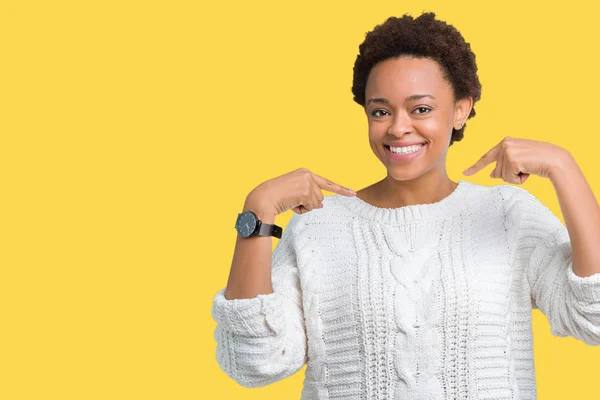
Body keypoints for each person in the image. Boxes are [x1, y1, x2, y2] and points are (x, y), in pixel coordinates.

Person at [211, 12, 600, 399]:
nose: (398, 127)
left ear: (461, 109)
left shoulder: (507, 215)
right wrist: (258, 211)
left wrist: (564, 167)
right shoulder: (316, 227)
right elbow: (254, 363)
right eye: (380, 111)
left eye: (421, 109)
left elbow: (594, 317)